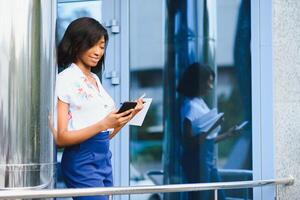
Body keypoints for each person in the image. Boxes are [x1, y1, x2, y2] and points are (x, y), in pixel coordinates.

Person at [52, 17, 143, 200]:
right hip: (81, 160)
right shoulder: (65, 79)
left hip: (103, 157)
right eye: (92, 45)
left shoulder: (95, 80)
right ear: (77, 43)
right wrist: (103, 124)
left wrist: (127, 116)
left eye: (102, 46)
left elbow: (105, 133)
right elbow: (60, 138)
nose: (98, 52)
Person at [177, 63, 241, 200]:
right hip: (197, 163)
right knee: (202, 197)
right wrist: (212, 126)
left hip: (207, 161)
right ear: (198, 82)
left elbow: (206, 141)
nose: (211, 86)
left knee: (219, 196)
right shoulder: (189, 107)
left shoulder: (199, 102)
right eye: (209, 82)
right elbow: (189, 143)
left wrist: (227, 134)